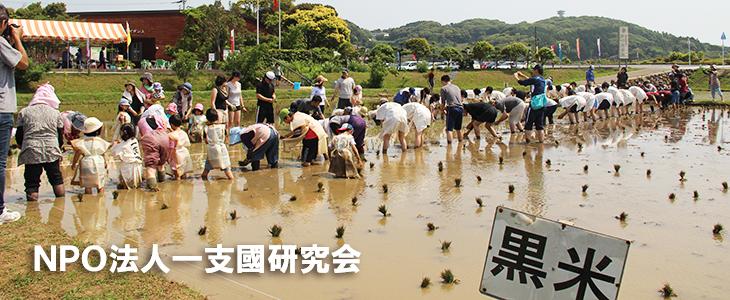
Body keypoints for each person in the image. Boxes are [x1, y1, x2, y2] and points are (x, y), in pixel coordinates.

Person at [0, 5, 29, 223]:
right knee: (1, 162)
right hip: (2, 109)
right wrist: (17, 38)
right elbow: (23, 63)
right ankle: (1, 210)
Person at [15, 83, 65, 201]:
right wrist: (59, 147)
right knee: (56, 178)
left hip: (31, 149)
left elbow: (19, 134)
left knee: (31, 182)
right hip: (51, 148)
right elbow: (60, 135)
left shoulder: (24, 112)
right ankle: (61, 203)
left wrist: (22, 146)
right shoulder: (55, 113)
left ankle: (32, 209)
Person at [71, 117, 111, 194]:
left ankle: (88, 200)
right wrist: (105, 162)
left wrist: (74, 164)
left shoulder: (81, 141)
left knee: (87, 185)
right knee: (100, 184)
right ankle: (100, 200)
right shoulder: (100, 141)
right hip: (99, 162)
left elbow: (78, 152)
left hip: (86, 162)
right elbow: (103, 152)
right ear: (98, 131)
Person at [515, 64, 548, 143]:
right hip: (542, 104)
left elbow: (522, 83)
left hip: (534, 104)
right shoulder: (542, 79)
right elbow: (530, 80)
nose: (532, 71)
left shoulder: (535, 79)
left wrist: (516, 76)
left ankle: (527, 143)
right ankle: (541, 143)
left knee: (528, 124)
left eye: (533, 69)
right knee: (539, 126)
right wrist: (522, 75)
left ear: (536, 70)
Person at [138, 114, 170, 190]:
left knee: (151, 167)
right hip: (164, 136)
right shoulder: (159, 117)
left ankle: (153, 188)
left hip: (150, 138)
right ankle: (162, 181)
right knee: (161, 164)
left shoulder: (141, 121)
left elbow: (142, 134)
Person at [201, 109, 234, 180]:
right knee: (228, 171)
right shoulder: (223, 127)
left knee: (205, 171)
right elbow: (226, 138)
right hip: (222, 150)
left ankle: (206, 185)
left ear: (207, 118)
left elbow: (206, 141)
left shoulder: (206, 128)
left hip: (212, 151)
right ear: (217, 117)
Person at [111, 124, 143, 189]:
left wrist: (114, 145)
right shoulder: (134, 140)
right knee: (136, 186)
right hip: (138, 166)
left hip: (128, 168)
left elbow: (114, 153)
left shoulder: (123, 145)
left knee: (127, 188)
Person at [440, 75, 464, 144]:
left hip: (452, 108)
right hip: (460, 108)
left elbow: (443, 102)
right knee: (458, 129)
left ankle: (449, 147)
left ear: (443, 81)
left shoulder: (444, 88)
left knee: (449, 129)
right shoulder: (457, 87)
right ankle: (460, 144)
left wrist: (442, 111)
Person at [168, 115, 193, 180]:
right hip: (184, 154)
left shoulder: (171, 135)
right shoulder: (184, 133)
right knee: (183, 173)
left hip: (176, 155)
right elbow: (188, 144)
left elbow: (171, 147)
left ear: (171, 124)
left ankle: (178, 188)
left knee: (177, 175)